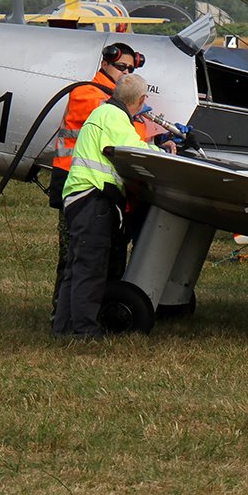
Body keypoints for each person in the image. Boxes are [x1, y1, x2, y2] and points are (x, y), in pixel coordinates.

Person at [53, 74, 171, 339]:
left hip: (80, 199)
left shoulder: (104, 113)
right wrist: (169, 153)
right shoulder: (114, 118)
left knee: (76, 269)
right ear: (142, 100)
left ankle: (63, 329)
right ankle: (85, 332)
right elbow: (138, 152)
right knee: (91, 271)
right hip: (92, 201)